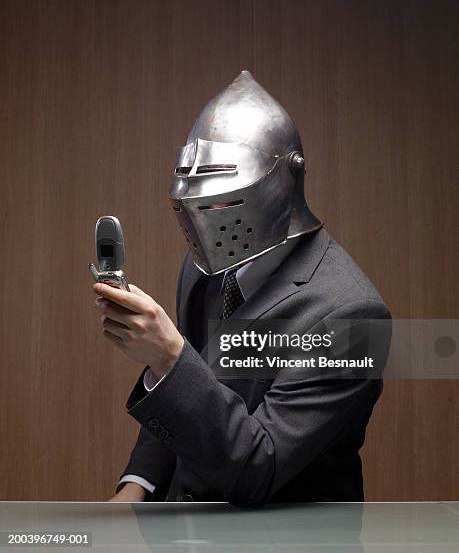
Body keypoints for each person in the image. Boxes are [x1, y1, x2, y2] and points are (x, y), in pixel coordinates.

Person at [94, 71, 391, 506]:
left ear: (284, 178)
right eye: (189, 196)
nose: (202, 217)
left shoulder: (354, 315)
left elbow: (261, 467)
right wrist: (137, 486)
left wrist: (168, 355)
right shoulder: (206, 268)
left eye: (222, 194)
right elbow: (186, 393)